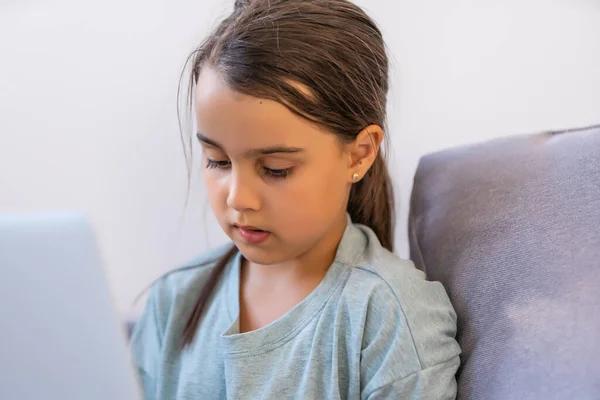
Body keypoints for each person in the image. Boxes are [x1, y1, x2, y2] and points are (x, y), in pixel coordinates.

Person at [130, 0, 461, 398]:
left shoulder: (389, 317)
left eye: (275, 169)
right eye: (217, 161)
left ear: (359, 154)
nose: (239, 198)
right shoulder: (173, 302)